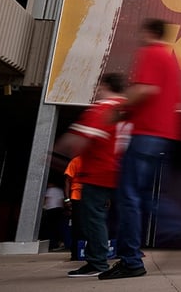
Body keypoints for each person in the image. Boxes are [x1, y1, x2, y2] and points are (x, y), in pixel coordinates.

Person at [99, 18, 181, 281]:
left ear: (149, 32)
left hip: (145, 134)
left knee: (129, 197)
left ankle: (131, 260)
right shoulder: (172, 61)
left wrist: (119, 110)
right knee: (146, 196)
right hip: (165, 135)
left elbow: (145, 89)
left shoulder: (150, 53)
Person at [51, 73, 129, 277]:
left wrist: (56, 155)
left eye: (99, 86)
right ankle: (129, 257)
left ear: (105, 86)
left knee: (92, 217)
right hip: (123, 170)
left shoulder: (103, 109)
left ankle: (97, 262)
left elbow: (77, 140)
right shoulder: (129, 109)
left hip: (98, 171)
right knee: (127, 216)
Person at [64, 155, 84, 261]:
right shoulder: (76, 161)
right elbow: (67, 180)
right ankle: (76, 253)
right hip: (77, 197)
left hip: (92, 198)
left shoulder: (96, 161)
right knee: (77, 227)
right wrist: (67, 199)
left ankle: (91, 253)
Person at [41, 182, 65, 251]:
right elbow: (62, 200)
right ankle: (60, 242)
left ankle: (52, 244)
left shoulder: (50, 190)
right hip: (59, 209)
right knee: (57, 227)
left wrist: (43, 207)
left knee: (49, 228)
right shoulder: (60, 190)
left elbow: (46, 199)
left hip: (51, 209)